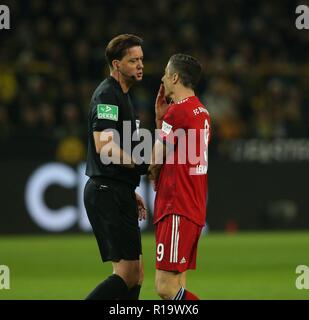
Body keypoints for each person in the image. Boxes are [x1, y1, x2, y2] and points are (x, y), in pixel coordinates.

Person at [84, 34, 148, 300]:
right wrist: (140, 163)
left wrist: (128, 187)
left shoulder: (122, 95)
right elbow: (105, 148)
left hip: (116, 189)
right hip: (106, 191)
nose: (140, 65)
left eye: (141, 59)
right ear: (116, 64)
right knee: (127, 273)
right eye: (133, 60)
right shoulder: (107, 95)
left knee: (135, 274)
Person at [148, 53, 211, 300]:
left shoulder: (178, 112)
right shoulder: (202, 112)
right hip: (193, 206)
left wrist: (160, 120)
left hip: (177, 206)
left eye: (165, 73)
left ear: (175, 77)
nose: (162, 78)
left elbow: (154, 160)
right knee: (178, 283)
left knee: (165, 287)